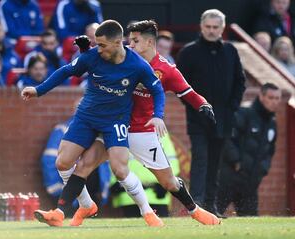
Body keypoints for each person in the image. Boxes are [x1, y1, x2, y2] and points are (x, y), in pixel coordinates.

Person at [51, 20, 221, 227]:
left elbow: (188, 93)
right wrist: (87, 49)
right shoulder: (120, 59)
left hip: (142, 131)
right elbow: (94, 62)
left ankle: (195, 210)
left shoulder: (167, 70)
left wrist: (203, 105)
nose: (129, 45)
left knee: (168, 182)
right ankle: (64, 211)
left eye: (135, 40)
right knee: (84, 165)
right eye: (129, 40)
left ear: (149, 42)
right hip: (113, 126)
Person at [21, 20, 167, 227]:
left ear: (118, 43)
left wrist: (158, 115)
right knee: (63, 162)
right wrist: (38, 90)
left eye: (102, 45)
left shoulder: (137, 65)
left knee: (120, 169)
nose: (98, 49)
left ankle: (147, 212)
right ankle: (85, 205)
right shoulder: (92, 57)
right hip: (87, 117)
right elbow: (65, 71)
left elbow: (158, 91)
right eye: (96, 44)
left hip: (115, 121)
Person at [177, 9, 246, 216]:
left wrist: (232, 106)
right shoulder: (188, 52)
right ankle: (196, 205)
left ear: (222, 29)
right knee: (200, 159)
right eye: (208, 26)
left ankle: (210, 205)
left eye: (215, 27)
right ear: (201, 26)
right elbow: (180, 85)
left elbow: (239, 81)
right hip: (198, 118)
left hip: (223, 118)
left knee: (215, 163)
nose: (211, 30)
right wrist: (195, 106)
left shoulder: (230, 51)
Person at [216, 83, 281, 216]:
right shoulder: (244, 113)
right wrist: (236, 161)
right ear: (261, 97)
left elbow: (270, 150)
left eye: (277, 98)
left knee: (250, 220)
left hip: (251, 182)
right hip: (230, 178)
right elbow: (227, 138)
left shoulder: (272, 123)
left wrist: (263, 169)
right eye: (271, 97)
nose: (274, 101)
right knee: (214, 214)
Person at [41, 100, 111, 215]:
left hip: (95, 191)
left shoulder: (99, 130)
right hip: (70, 193)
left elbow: (105, 163)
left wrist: (104, 188)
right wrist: (56, 188)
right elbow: (50, 159)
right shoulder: (63, 129)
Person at [110, 133, 180, 218]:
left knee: (159, 228)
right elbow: (112, 162)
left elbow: (172, 161)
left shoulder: (158, 130)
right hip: (128, 196)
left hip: (155, 194)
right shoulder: (120, 131)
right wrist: (114, 183)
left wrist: (166, 184)